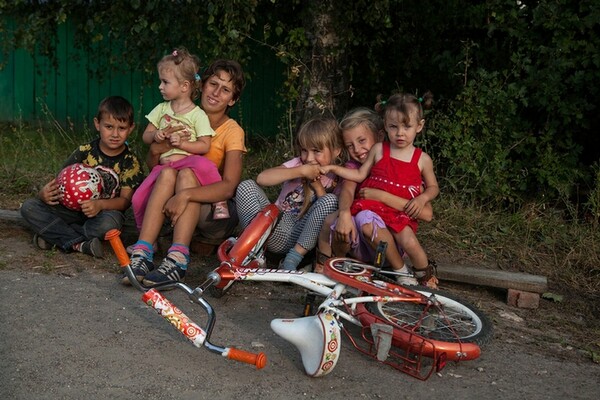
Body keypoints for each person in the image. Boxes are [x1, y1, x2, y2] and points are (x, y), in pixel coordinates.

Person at [124, 59, 247, 285]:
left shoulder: (232, 131)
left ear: (233, 99)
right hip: (175, 194)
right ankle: (142, 254)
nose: (216, 93)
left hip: (213, 210)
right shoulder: (180, 114)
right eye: (213, 84)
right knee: (170, 173)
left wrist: (185, 195)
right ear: (202, 85)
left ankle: (177, 260)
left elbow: (229, 187)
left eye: (226, 90)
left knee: (187, 174)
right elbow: (157, 166)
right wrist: (158, 147)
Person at [320, 93, 440, 288]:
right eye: (394, 127)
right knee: (344, 220)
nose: (400, 133)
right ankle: (329, 266)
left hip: (396, 215)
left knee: (409, 240)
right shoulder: (378, 150)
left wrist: (422, 198)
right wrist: (333, 168)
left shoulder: (421, 159)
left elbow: (432, 192)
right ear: (385, 126)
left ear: (419, 126)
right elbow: (358, 175)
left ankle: (426, 278)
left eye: (406, 126)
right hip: (371, 212)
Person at [20, 96, 144, 258]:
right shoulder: (85, 151)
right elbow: (61, 179)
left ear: (131, 128)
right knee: (29, 207)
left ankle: (56, 237)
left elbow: (124, 202)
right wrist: (44, 194)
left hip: (102, 214)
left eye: (121, 128)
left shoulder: (130, 161)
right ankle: (78, 243)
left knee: (110, 224)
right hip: (70, 210)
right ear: (97, 124)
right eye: (108, 126)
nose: (115, 134)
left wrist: (99, 204)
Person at [131, 47, 229, 238]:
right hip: (164, 166)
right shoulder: (160, 109)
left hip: (187, 163)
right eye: (161, 81)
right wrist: (156, 135)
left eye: (165, 82)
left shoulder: (197, 114)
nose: (160, 86)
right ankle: (147, 233)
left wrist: (182, 145)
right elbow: (145, 136)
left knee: (205, 164)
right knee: (137, 198)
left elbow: (204, 145)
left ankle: (219, 200)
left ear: (184, 86)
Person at [235, 117, 343, 271]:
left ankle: (292, 260)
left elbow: (328, 215)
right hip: (275, 227)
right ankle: (252, 251)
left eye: (316, 151)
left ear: (336, 151)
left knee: (330, 200)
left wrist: (317, 186)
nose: (309, 158)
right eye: (304, 150)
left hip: (302, 238)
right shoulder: (298, 164)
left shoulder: (336, 177)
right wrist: (299, 171)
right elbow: (262, 178)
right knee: (246, 186)